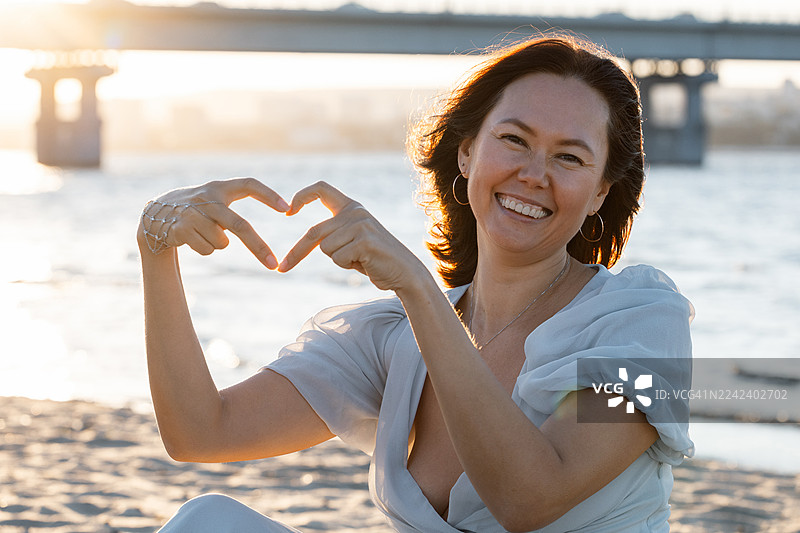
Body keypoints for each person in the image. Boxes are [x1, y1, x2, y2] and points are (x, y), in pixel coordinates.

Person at [138, 34, 694, 533]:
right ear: (468, 151)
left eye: (569, 157)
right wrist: (156, 247)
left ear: (600, 191)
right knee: (207, 521)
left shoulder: (641, 327)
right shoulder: (396, 340)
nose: (534, 174)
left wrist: (416, 286)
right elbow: (199, 431)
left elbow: (529, 499)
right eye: (515, 140)